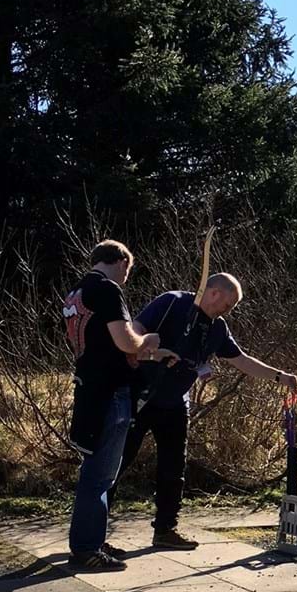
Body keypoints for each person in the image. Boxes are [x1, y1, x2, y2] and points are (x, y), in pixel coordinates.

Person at [113, 272, 297, 549]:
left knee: (174, 468)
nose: (229, 310)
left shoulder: (217, 328)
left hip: (175, 403)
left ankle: (165, 530)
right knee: (116, 463)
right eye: (228, 304)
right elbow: (134, 330)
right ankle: (92, 533)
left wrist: (279, 376)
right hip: (140, 397)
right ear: (213, 293)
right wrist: (151, 351)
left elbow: (242, 360)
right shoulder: (172, 302)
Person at [67, 240, 175, 570]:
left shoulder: (76, 293)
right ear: (120, 262)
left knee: (94, 472)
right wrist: (148, 342)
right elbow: (125, 340)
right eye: (128, 269)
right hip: (110, 394)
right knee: (100, 476)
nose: (127, 277)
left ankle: (91, 539)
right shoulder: (108, 290)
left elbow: (101, 344)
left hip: (88, 389)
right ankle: (87, 548)